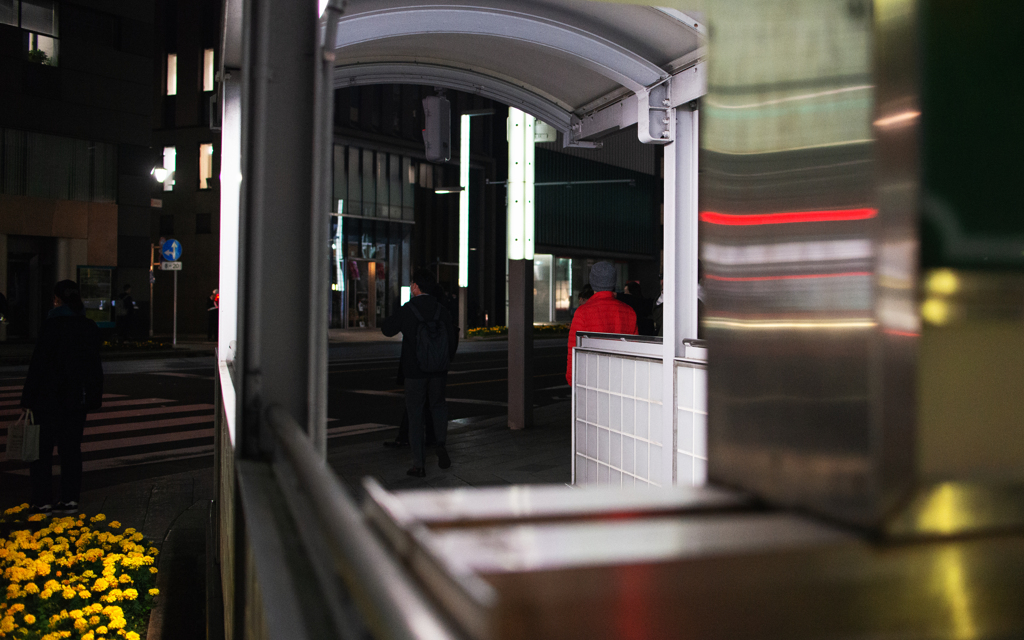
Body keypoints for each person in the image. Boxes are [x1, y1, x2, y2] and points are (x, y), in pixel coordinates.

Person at [20, 280, 104, 515]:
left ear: (56, 299)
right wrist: (95, 396)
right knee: (71, 449)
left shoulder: (52, 325)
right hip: (76, 399)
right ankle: (69, 499)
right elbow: (94, 367)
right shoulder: (88, 326)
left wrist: (27, 398)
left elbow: (38, 365)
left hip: (47, 399)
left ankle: (42, 500)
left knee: (42, 451)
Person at [380, 268, 458, 477]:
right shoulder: (441, 310)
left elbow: (387, 329)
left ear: (415, 287)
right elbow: (451, 339)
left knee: (415, 415)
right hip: (438, 370)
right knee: (439, 406)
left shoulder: (409, 309)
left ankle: (419, 464)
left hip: (414, 371)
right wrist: (444, 361)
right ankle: (440, 443)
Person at [566, 262, 638, 385]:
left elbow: (574, 351)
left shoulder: (582, 312)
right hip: (622, 381)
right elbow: (635, 353)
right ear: (613, 282)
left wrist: (572, 380)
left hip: (593, 381)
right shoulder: (629, 312)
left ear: (592, 281)